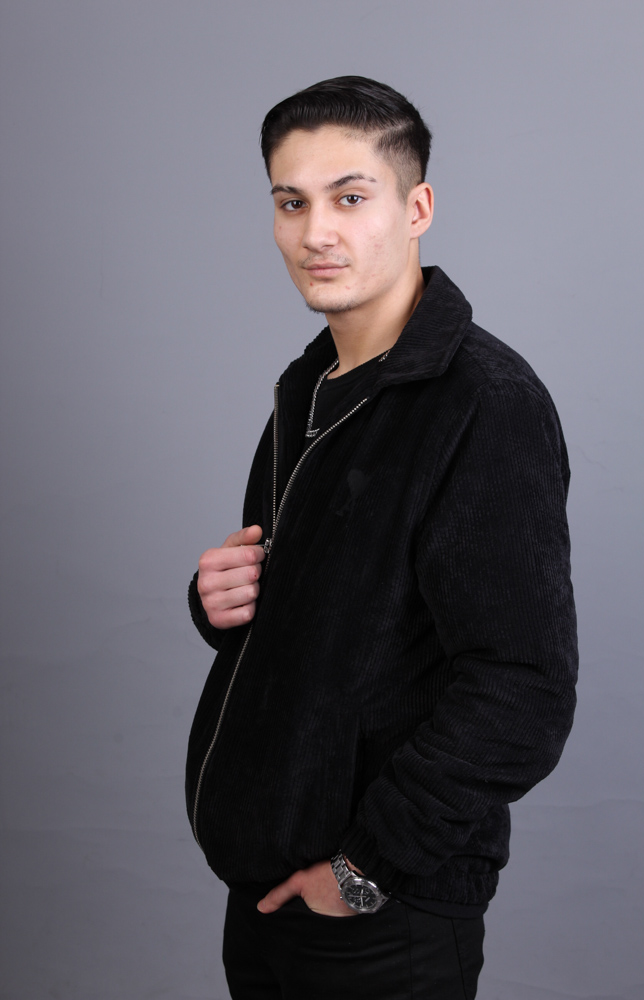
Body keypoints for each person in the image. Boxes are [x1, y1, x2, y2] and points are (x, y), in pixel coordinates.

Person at [185, 76, 578, 1000]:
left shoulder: (484, 403)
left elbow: (522, 687)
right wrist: (219, 600)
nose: (315, 232)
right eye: (291, 202)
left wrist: (363, 871)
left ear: (416, 209)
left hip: (379, 915)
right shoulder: (313, 386)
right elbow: (339, 617)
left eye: (350, 197)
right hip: (269, 896)